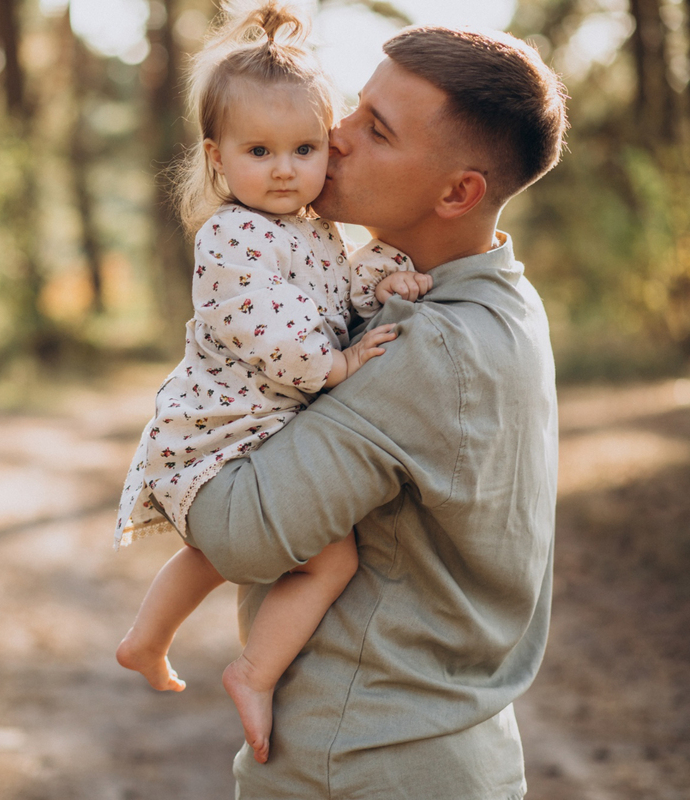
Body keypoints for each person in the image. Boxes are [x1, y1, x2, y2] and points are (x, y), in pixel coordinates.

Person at [182, 21, 569, 800]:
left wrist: (199, 408)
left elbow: (238, 534)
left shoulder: (423, 345)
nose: (336, 135)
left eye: (376, 130)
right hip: (450, 754)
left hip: (359, 759)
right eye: (355, 110)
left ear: (458, 191)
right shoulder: (504, 301)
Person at [112, 0, 430, 765]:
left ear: (328, 149)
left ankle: (145, 640)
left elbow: (334, 296)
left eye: (304, 148)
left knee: (221, 554)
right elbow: (271, 332)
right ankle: (252, 672)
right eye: (260, 151)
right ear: (217, 157)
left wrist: (387, 273)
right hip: (222, 438)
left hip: (252, 439)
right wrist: (339, 366)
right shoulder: (229, 234)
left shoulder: (311, 230)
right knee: (331, 558)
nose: (285, 169)